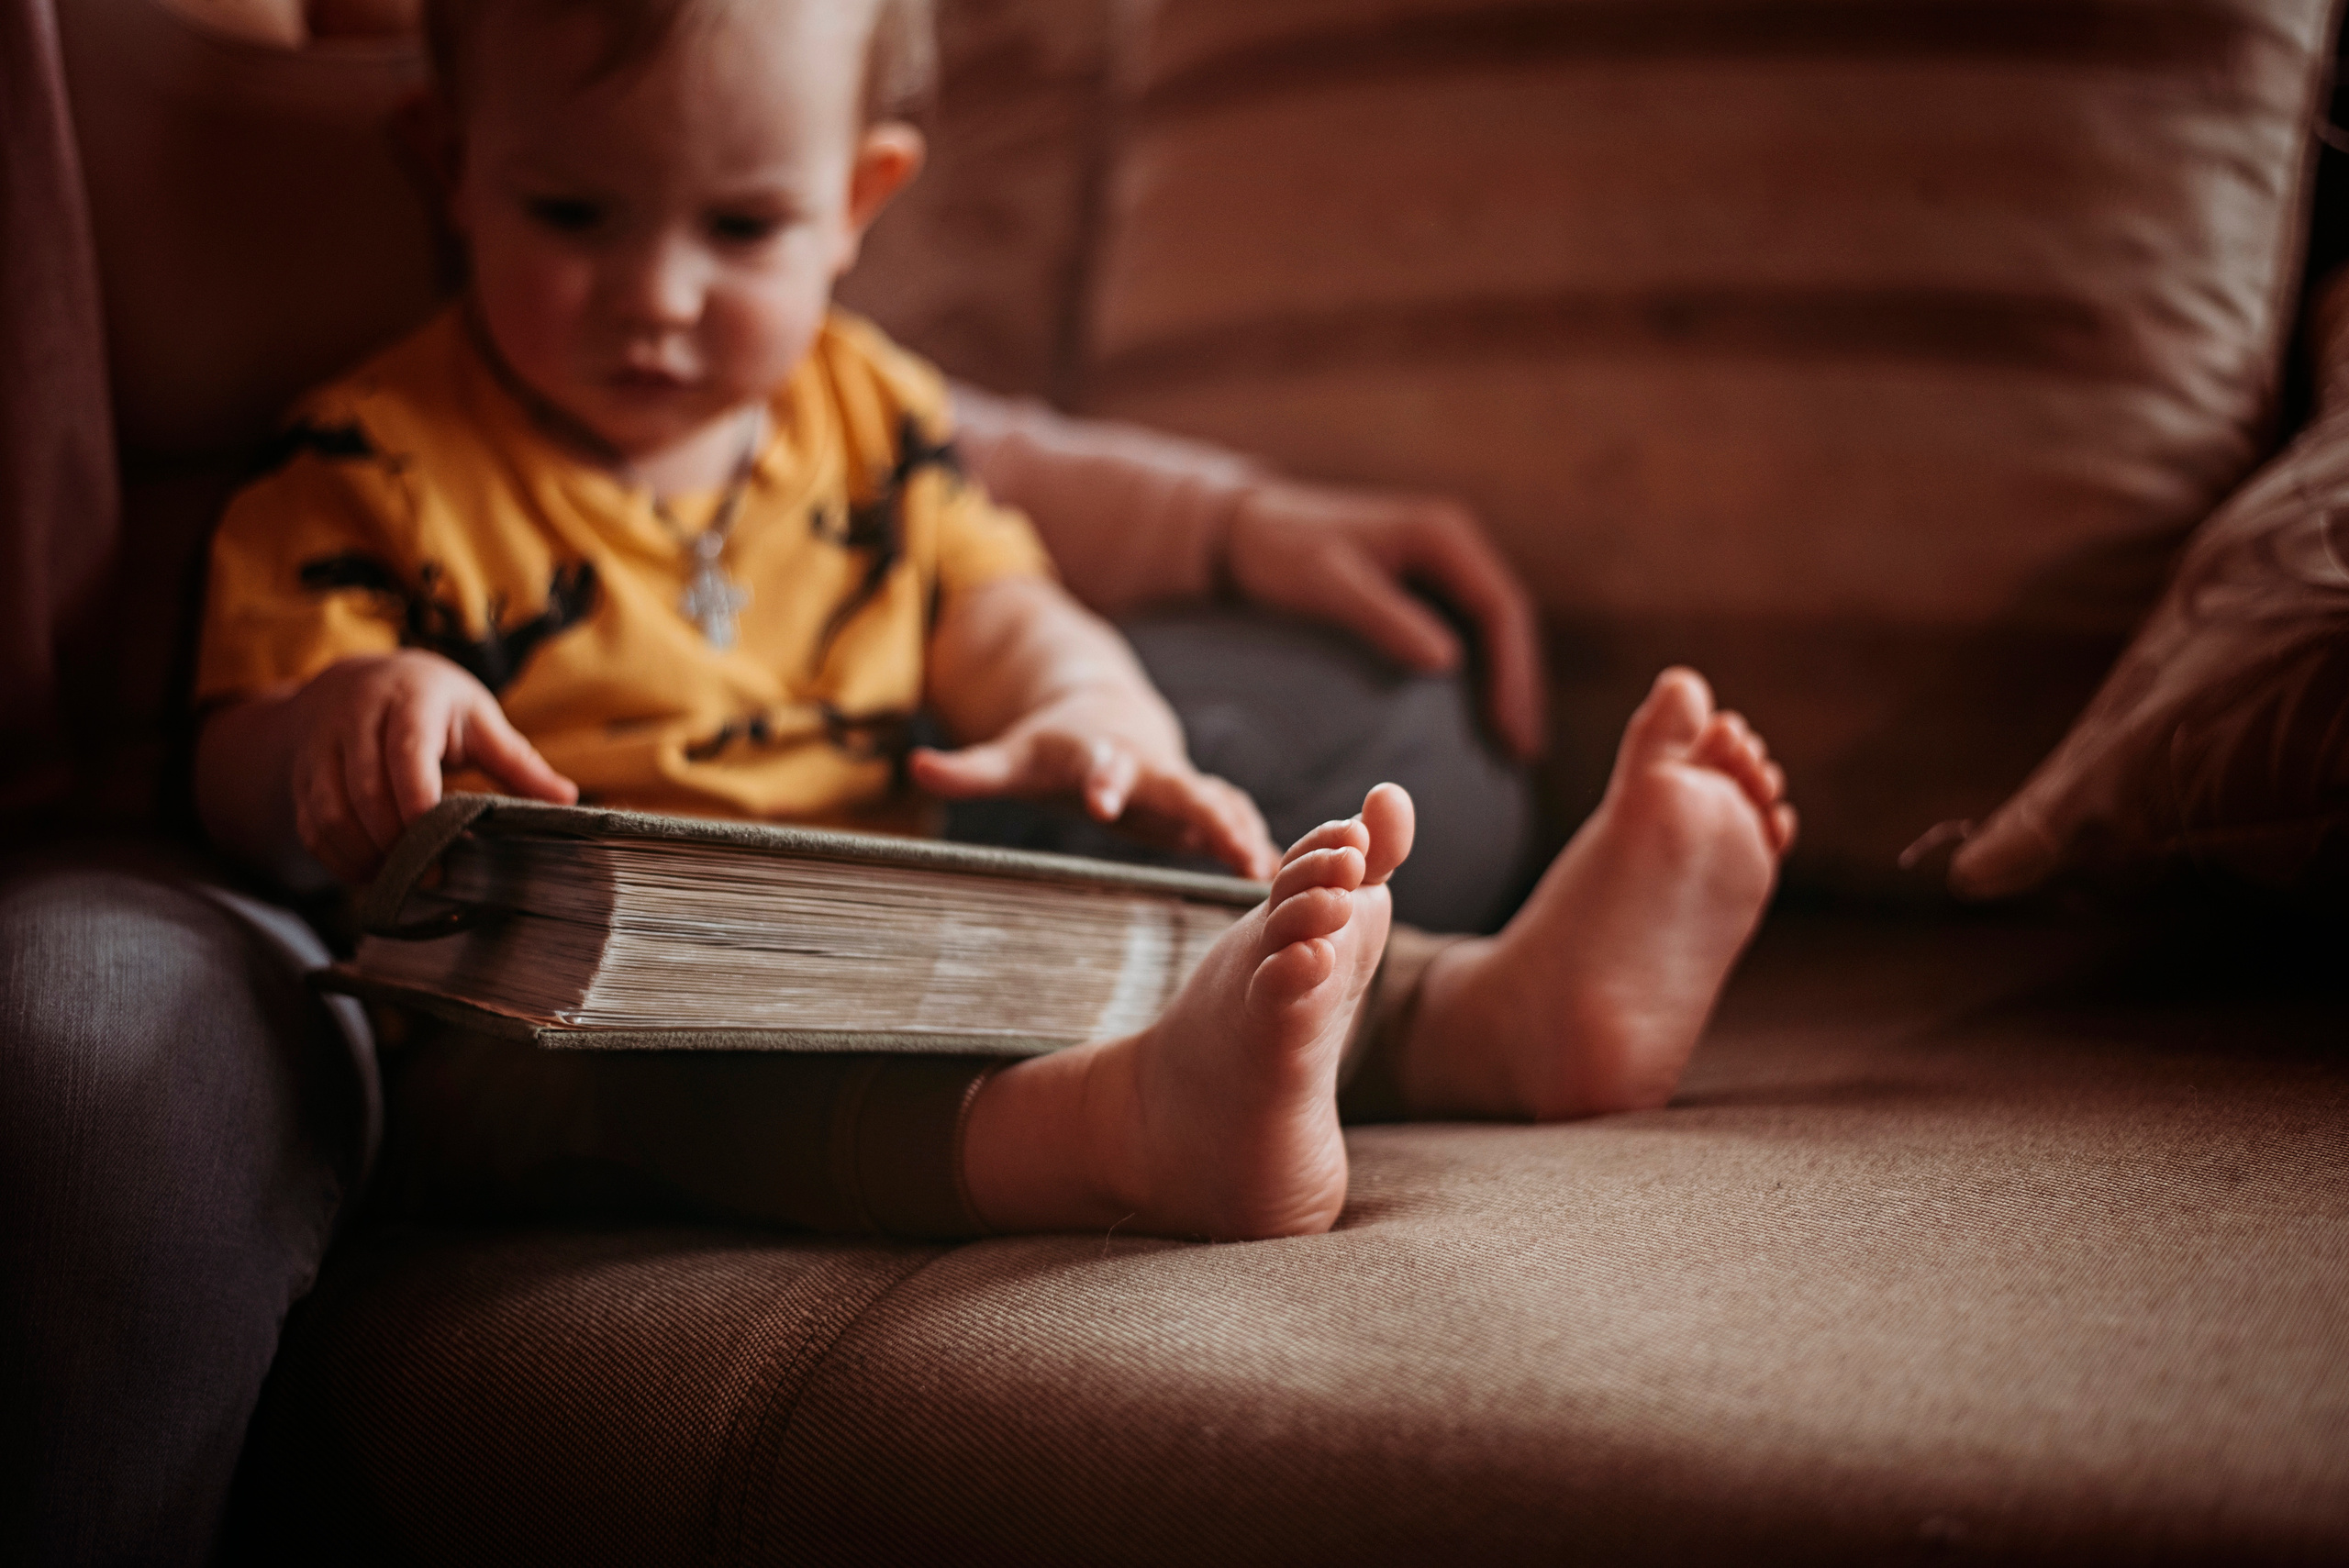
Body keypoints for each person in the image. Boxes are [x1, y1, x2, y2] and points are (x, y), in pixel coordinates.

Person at [191, 0, 1797, 1244]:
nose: (661, 296)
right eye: (574, 214)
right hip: (569, 1011)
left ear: (857, 203)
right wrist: (341, 716)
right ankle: (1126, 1135)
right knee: (700, 1083)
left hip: (900, 907)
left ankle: (1501, 1018)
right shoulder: (373, 460)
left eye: (741, 229)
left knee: (1138, 866)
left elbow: (1005, 604)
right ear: (445, 161)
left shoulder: (867, 411)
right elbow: (231, 766)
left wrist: (1101, 716)